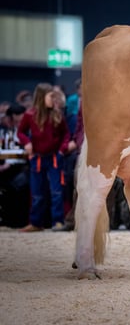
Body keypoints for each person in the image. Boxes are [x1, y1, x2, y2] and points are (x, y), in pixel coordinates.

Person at [17, 83, 72, 232]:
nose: (54, 99)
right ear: (42, 97)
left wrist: (62, 150)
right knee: (37, 193)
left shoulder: (57, 114)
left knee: (57, 192)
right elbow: (20, 132)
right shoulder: (30, 115)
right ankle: (36, 223)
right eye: (51, 96)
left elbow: (66, 134)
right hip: (37, 158)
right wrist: (27, 143)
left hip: (54, 158)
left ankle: (58, 222)